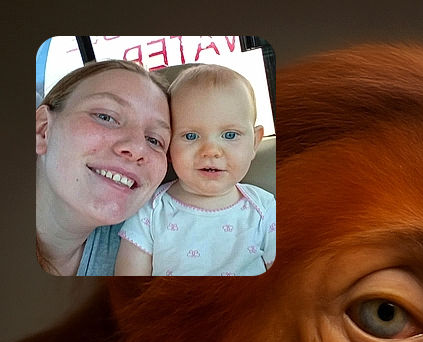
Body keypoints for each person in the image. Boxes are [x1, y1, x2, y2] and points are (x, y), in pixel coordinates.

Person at [115, 63, 275, 275]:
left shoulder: (265, 210)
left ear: (254, 143)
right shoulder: (150, 211)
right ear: (168, 147)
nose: (211, 151)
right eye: (191, 136)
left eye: (230, 135)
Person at [35, 59, 170, 276]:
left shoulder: (152, 242)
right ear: (43, 131)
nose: (137, 148)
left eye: (154, 140)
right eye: (106, 117)